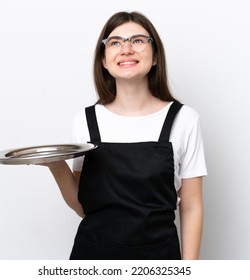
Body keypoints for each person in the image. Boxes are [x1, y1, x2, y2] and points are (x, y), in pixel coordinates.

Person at [43, 11, 207, 260]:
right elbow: (82, 207)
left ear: (155, 57)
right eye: (115, 42)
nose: (126, 49)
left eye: (138, 41)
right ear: (104, 61)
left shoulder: (185, 119)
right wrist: (54, 163)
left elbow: (192, 206)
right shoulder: (85, 121)